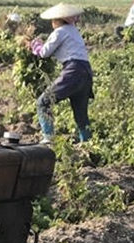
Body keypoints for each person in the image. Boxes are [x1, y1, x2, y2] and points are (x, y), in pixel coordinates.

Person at [26, 2, 94, 143]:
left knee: (43, 102)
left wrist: (35, 45)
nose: (52, 23)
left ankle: (48, 137)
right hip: (86, 72)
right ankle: (88, 143)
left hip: (73, 71)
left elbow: (44, 53)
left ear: (57, 20)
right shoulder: (74, 31)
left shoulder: (60, 31)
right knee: (81, 114)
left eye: (53, 20)